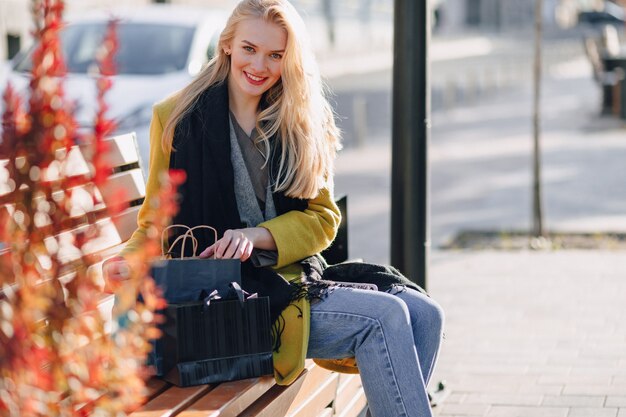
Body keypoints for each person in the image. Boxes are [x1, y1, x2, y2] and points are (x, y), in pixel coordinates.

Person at [103, 1, 444, 416]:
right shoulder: (177, 117)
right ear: (227, 45)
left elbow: (323, 219)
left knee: (426, 314)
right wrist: (126, 262)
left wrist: (256, 236)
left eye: (275, 55)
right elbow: (156, 224)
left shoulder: (301, 118)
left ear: (289, 58)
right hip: (228, 304)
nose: (259, 65)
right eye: (249, 48)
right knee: (384, 317)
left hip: (295, 282)